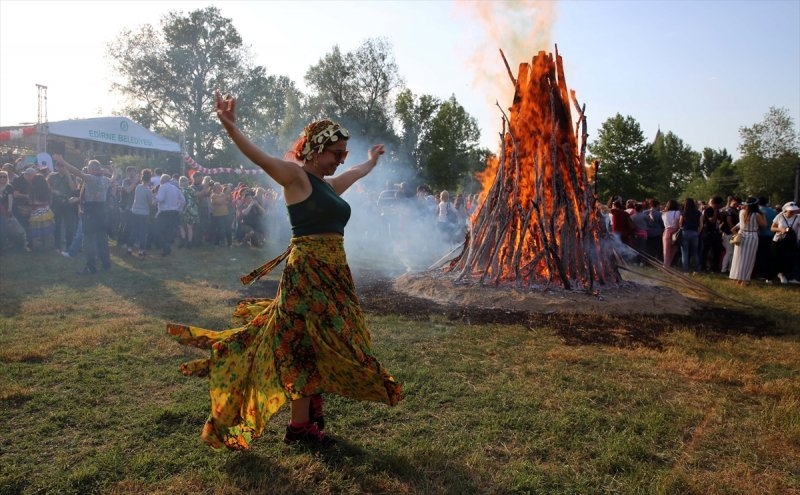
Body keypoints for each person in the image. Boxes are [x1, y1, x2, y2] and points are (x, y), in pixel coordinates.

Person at [166, 93, 403, 450]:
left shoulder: (326, 184)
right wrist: (231, 128)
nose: (341, 161)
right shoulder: (295, 177)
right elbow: (260, 158)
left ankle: (308, 412)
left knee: (330, 339)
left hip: (334, 275)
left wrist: (369, 162)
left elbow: (354, 174)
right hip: (307, 273)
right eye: (335, 154)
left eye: (344, 155)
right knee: (301, 343)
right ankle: (299, 426)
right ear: (315, 150)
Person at [55, 156, 115, 274]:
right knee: (102, 240)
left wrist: (64, 162)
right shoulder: (105, 180)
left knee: (88, 241)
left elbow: (77, 172)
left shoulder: (91, 178)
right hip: (102, 211)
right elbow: (113, 179)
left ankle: (91, 268)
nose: (87, 170)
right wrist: (115, 171)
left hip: (91, 212)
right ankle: (106, 264)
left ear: (92, 169)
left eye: (88, 168)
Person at [729, 197, 766, 285]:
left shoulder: (741, 212)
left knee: (739, 257)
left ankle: (738, 277)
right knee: (749, 259)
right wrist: (763, 216)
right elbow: (764, 225)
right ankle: (744, 279)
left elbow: (740, 224)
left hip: (742, 235)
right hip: (752, 236)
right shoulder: (756, 215)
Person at [154, 173, 185, 256]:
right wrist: (179, 208)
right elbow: (183, 200)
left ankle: (165, 246)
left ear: (162, 180)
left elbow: (160, 198)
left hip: (164, 212)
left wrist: (154, 198)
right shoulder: (175, 188)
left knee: (159, 230)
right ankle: (168, 245)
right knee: (170, 231)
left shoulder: (163, 187)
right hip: (174, 212)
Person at [770, 201, 800, 284]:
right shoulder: (780, 216)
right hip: (778, 241)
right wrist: (781, 229)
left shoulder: (797, 217)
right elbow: (772, 228)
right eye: (790, 210)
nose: (792, 212)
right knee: (775, 258)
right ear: (785, 210)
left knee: (788, 260)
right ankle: (772, 276)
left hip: (790, 242)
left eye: (793, 210)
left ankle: (786, 276)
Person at [678, 197, 703, 273]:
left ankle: (685, 271)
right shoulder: (698, 213)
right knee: (695, 252)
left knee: (685, 253)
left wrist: (682, 228)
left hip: (685, 232)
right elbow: (701, 225)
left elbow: (680, 223)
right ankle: (696, 270)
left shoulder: (684, 212)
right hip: (695, 232)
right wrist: (698, 232)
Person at [661, 199, 681, 268]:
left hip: (667, 231)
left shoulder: (664, 213)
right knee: (674, 249)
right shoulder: (678, 212)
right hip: (676, 231)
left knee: (666, 249)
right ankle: (669, 264)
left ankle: (666, 265)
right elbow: (679, 223)